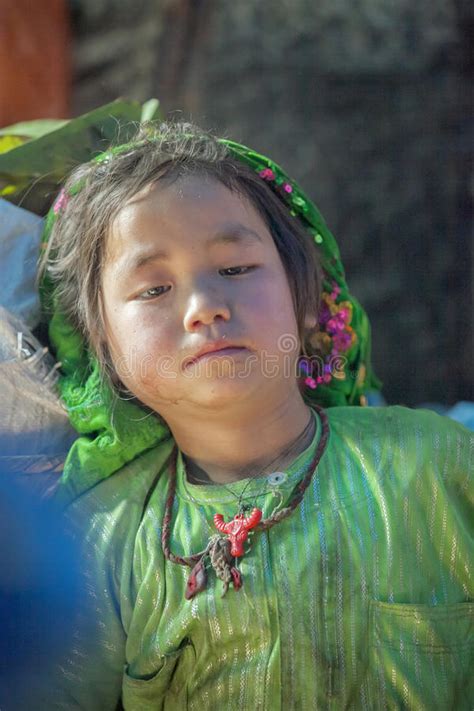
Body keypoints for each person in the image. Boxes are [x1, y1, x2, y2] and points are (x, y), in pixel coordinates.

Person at [37, 122, 472, 710]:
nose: (205, 307)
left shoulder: (436, 463)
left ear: (308, 304)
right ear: (102, 351)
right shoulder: (99, 542)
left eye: (236, 269)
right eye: (153, 289)